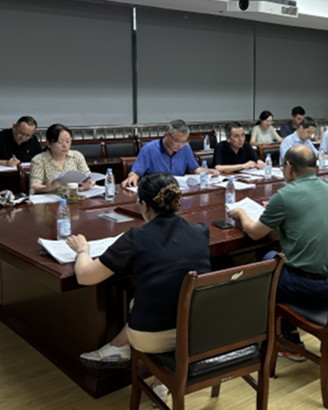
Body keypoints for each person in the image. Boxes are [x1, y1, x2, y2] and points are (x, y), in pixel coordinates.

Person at [67, 173, 210, 401]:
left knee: (148, 298)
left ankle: (124, 349)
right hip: (199, 331)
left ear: (143, 205)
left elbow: (85, 276)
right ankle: (159, 378)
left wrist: (82, 250)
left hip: (151, 336)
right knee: (169, 292)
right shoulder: (201, 231)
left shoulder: (136, 237)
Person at [228, 145, 328, 361]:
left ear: (289, 167)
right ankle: (280, 330)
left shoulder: (285, 195)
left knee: (264, 264)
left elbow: (254, 233)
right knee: (274, 258)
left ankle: (285, 339)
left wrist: (241, 213)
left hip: (308, 286)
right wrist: (274, 209)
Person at [121, 120, 216, 188]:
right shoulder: (149, 149)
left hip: (178, 191)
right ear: (167, 135)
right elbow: (135, 173)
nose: (180, 145)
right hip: (156, 192)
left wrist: (207, 171)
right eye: (177, 141)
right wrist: (132, 177)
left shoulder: (185, 148)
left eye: (184, 141)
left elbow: (194, 169)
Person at [29, 123, 94, 194]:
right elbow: (33, 186)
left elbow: (90, 178)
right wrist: (47, 188)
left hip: (76, 196)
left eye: (68, 141)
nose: (65, 146)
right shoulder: (39, 160)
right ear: (49, 143)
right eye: (60, 142)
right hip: (51, 198)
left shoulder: (77, 156)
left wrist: (88, 185)